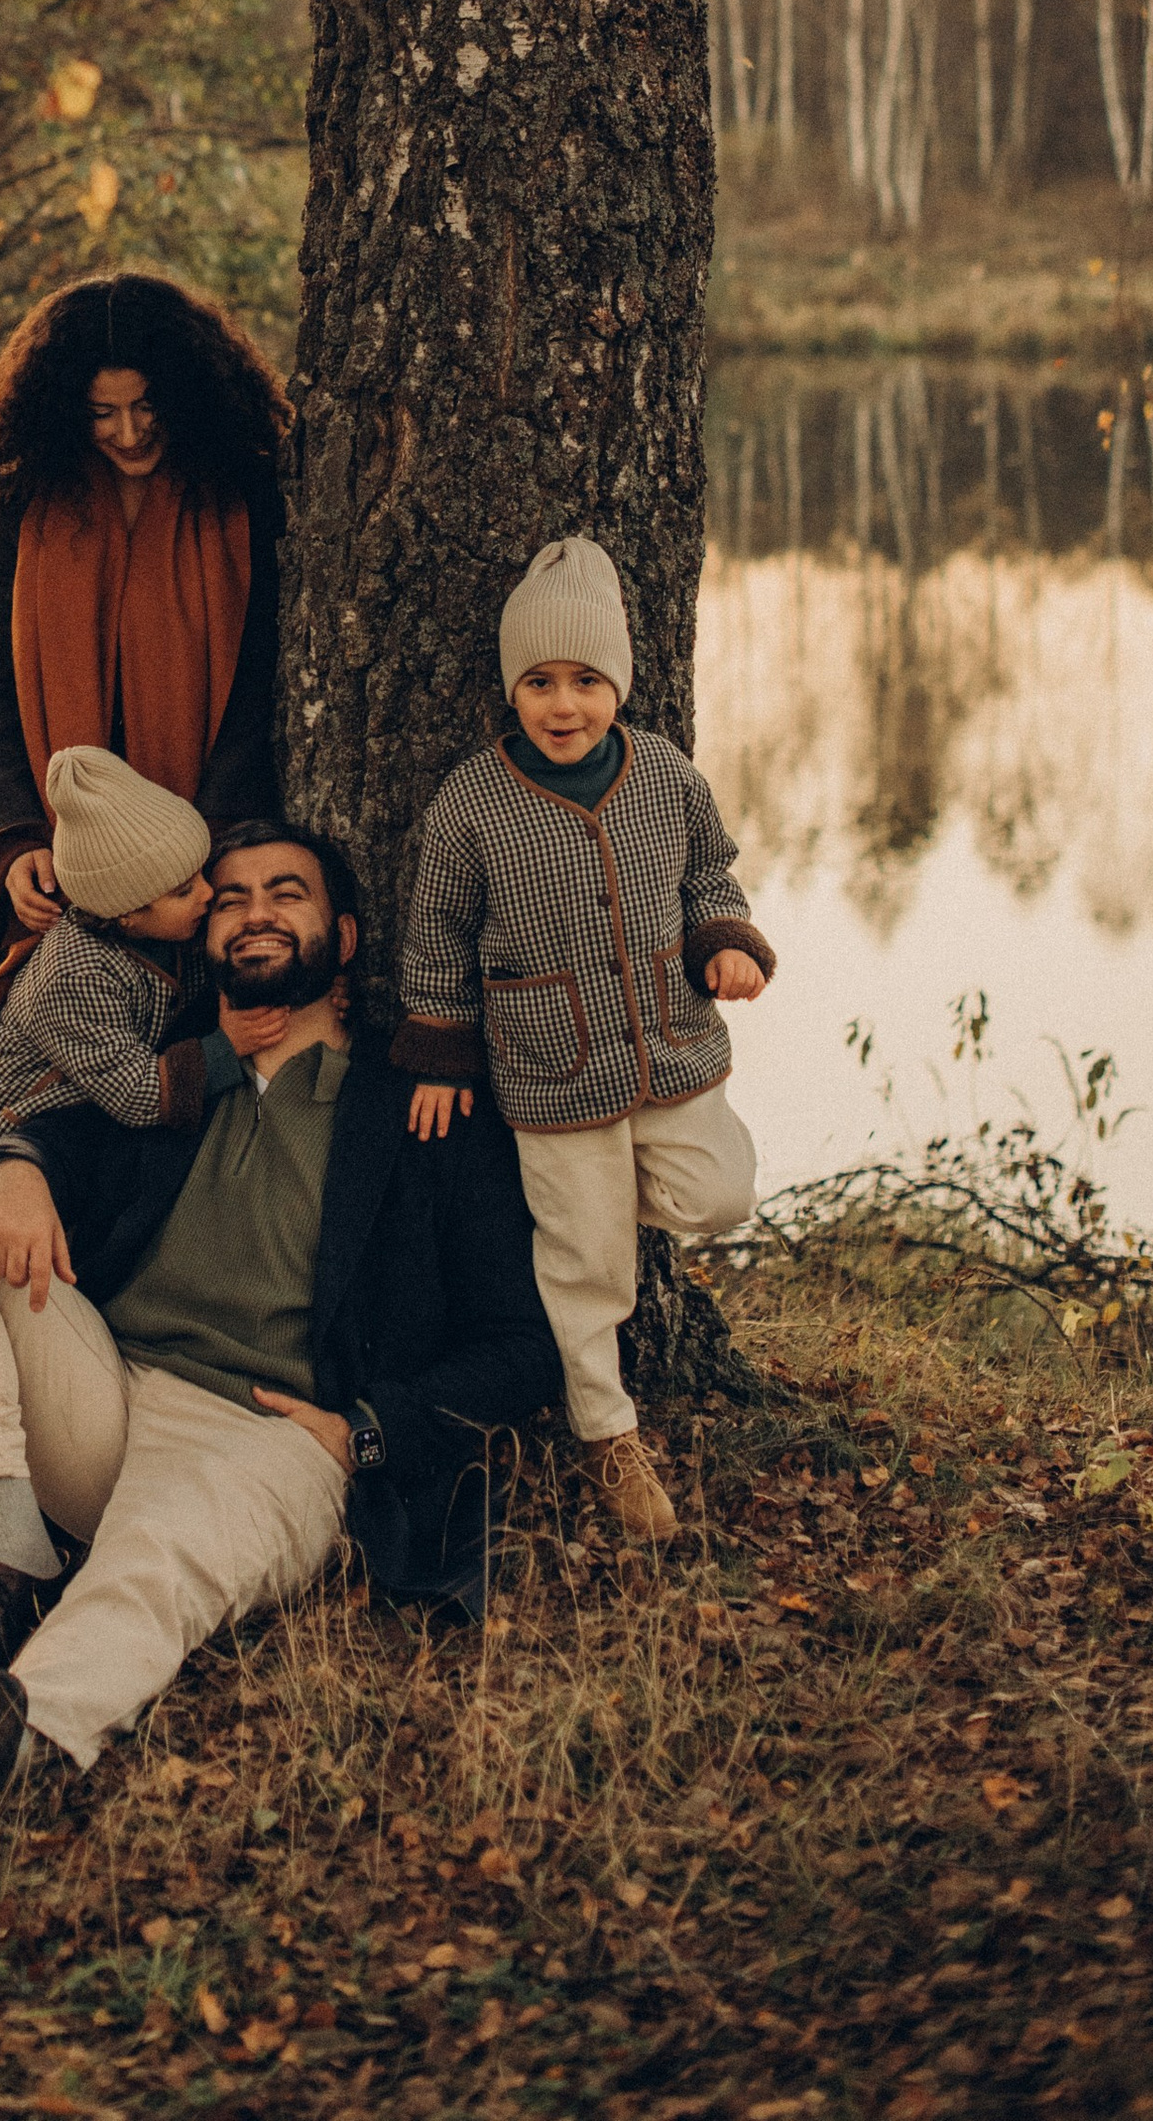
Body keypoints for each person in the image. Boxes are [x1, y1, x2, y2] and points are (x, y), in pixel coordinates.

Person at [0, 822, 559, 1826]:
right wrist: (15, 1172)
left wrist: (367, 1431)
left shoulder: (424, 1114)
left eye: (286, 892)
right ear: (207, 933)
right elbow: (48, 1137)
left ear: (343, 938)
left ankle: (16, 1734)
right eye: (230, 897)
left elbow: (523, 1346)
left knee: (162, 1560)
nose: (255, 912)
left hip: (272, 1436)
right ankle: (15, 1557)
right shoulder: (176, 1071)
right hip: (103, 1395)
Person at [392, 534, 775, 1546]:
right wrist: (440, 1049)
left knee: (720, 1192)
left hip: (668, 1045)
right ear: (512, 690)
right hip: (549, 1065)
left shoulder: (665, 775)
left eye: (586, 682)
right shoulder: (473, 802)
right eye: (540, 683)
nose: (564, 706)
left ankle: (582, 1210)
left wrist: (724, 940)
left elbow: (709, 872)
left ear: (619, 685)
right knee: (586, 1269)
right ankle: (607, 1431)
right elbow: (437, 933)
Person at [0, 275, 287, 1195]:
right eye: (103, 413)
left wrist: (190, 856)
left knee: (149, 1113)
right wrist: (15, 833)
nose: (128, 433)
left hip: (198, 835)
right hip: (42, 825)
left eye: (147, 407)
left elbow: (264, 679)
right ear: (65, 407)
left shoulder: (247, 489)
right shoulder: (27, 493)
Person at [0, 746, 256, 1150]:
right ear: (126, 914)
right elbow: (135, 1094)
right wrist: (224, 1049)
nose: (208, 893)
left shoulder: (168, 930)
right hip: (4, 1128)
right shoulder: (75, 974)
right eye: (183, 891)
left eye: (201, 873)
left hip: (87, 1109)